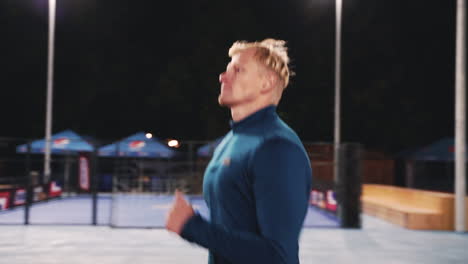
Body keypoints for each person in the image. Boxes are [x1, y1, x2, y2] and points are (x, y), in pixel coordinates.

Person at [165, 38, 312, 264]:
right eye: (226, 70)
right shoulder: (230, 141)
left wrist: (193, 227)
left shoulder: (277, 147)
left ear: (266, 83)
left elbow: (278, 255)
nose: (223, 77)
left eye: (237, 70)